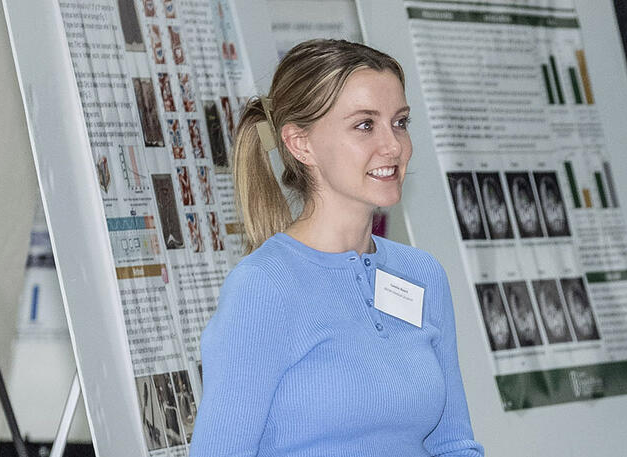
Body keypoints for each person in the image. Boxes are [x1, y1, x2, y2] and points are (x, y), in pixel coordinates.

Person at [190, 39, 484, 457]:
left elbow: (453, 443)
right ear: (300, 143)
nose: (394, 146)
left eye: (400, 122)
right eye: (365, 125)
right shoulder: (263, 286)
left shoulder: (422, 274)